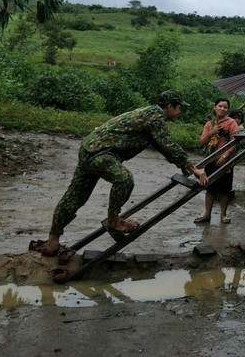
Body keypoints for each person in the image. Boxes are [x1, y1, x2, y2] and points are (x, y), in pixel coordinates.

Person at [42, 90, 208, 255]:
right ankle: (114, 219)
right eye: (179, 107)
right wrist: (194, 169)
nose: (180, 112)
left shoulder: (148, 114)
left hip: (89, 149)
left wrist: (185, 165)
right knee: (124, 179)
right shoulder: (155, 118)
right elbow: (168, 144)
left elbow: (163, 148)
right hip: (101, 153)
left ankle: (52, 241)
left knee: (74, 197)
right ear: (170, 107)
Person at [194, 98, 239, 225]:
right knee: (209, 187)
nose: (222, 109)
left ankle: (223, 215)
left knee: (225, 189)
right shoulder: (209, 124)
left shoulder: (231, 123)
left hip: (225, 160)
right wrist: (211, 133)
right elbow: (202, 142)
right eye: (220, 106)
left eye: (225, 107)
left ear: (227, 110)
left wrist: (225, 156)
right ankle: (207, 214)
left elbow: (235, 142)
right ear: (215, 107)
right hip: (211, 159)